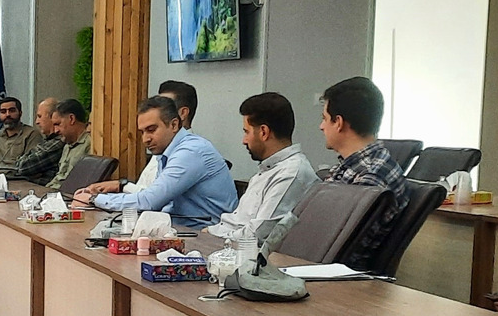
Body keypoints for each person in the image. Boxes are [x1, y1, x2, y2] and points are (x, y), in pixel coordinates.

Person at [72, 95, 237, 227]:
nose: (145, 139)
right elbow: (153, 197)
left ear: (174, 125)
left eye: (151, 130)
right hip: (182, 230)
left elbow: (150, 201)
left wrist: (94, 199)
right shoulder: (167, 151)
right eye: (142, 132)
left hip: (208, 238)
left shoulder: (190, 152)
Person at [204, 92, 319, 248]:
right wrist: (209, 233)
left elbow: (258, 235)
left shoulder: (291, 174)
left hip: (238, 250)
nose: (244, 140)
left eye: (246, 132)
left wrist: (212, 236)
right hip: (225, 242)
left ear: (264, 132)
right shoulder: (269, 169)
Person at [319, 76, 410, 270]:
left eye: (325, 119)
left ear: (339, 122)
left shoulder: (371, 177)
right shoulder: (351, 166)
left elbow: (333, 243)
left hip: (333, 277)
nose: (321, 126)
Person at [11, 97, 64, 183]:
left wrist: (27, 169)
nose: (36, 121)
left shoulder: (58, 142)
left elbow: (22, 167)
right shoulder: (48, 140)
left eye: (39, 116)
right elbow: (19, 164)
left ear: (53, 117)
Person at [46, 98, 92, 191]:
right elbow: (59, 177)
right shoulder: (67, 145)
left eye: (58, 124)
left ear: (71, 119)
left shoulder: (90, 144)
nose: (55, 131)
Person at [0, 93, 43, 168]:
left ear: (20, 113)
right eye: (3, 112)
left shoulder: (32, 134)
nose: (7, 114)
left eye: (12, 111)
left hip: (21, 174)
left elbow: (31, 164)